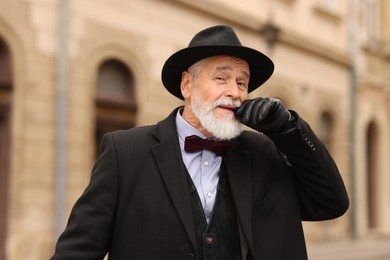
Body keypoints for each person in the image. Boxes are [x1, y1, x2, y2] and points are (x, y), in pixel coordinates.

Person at [51, 25, 349, 260]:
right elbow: (77, 251)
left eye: (242, 82)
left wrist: (289, 130)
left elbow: (330, 203)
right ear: (187, 85)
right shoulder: (125, 153)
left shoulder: (263, 151)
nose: (235, 91)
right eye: (222, 78)